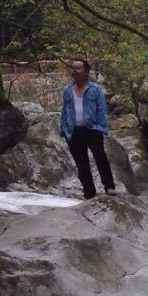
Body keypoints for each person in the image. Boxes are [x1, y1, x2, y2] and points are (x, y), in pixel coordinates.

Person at [60, 58, 116, 199]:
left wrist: (100, 128)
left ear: (86, 71)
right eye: (73, 68)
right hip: (74, 130)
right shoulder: (67, 90)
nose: (75, 71)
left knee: (100, 157)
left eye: (78, 68)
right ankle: (89, 192)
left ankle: (109, 186)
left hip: (92, 129)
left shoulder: (95, 89)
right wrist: (64, 129)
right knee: (81, 163)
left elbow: (102, 110)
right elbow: (65, 111)